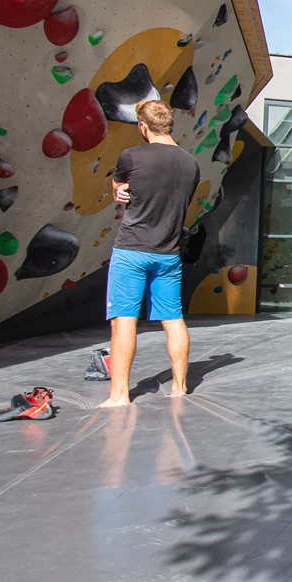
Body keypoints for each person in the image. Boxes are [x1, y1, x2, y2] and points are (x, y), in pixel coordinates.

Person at [98, 99, 201, 408]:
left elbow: (120, 189)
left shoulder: (131, 156)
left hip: (132, 251)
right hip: (168, 254)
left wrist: (117, 189)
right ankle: (179, 388)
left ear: (142, 126)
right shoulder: (191, 163)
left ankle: (119, 396)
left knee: (124, 322)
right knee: (174, 320)